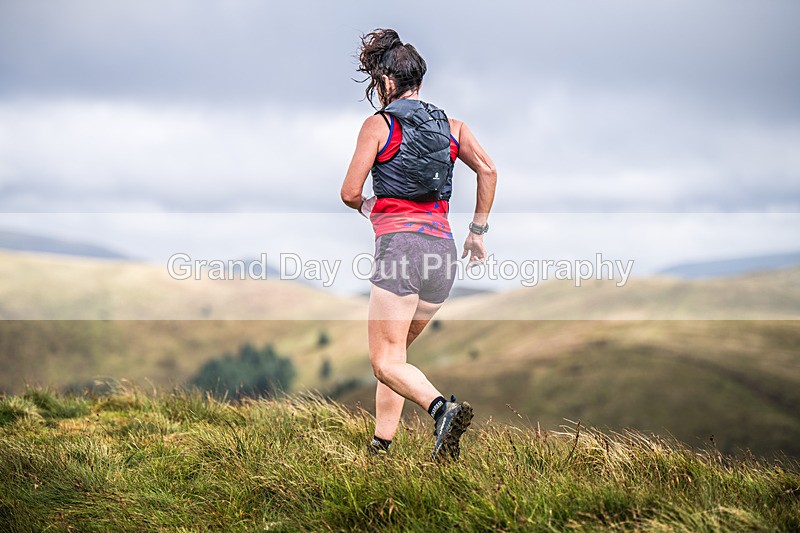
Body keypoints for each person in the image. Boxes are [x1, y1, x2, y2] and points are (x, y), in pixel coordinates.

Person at [340, 28, 497, 461]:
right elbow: (488, 170)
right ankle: (381, 447)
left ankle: (442, 409)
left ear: (386, 81)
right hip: (443, 253)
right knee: (397, 357)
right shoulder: (454, 127)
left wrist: (371, 208)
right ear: (420, 81)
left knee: (384, 361)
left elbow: (350, 192)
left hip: (401, 252)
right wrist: (477, 231)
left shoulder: (379, 125)